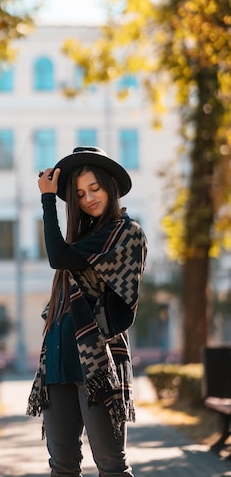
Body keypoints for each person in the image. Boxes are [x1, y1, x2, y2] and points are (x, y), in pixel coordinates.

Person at [27, 146, 147, 477]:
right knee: (62, 467)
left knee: (110, 465)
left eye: (94, 188)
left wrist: (48, 199)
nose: (88, 198)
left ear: (109, 186)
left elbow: (57, 256)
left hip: (98, 360)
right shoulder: (81, 240)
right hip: (59, 356)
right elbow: (62, 256)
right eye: (79, 193)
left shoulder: (126, 234)